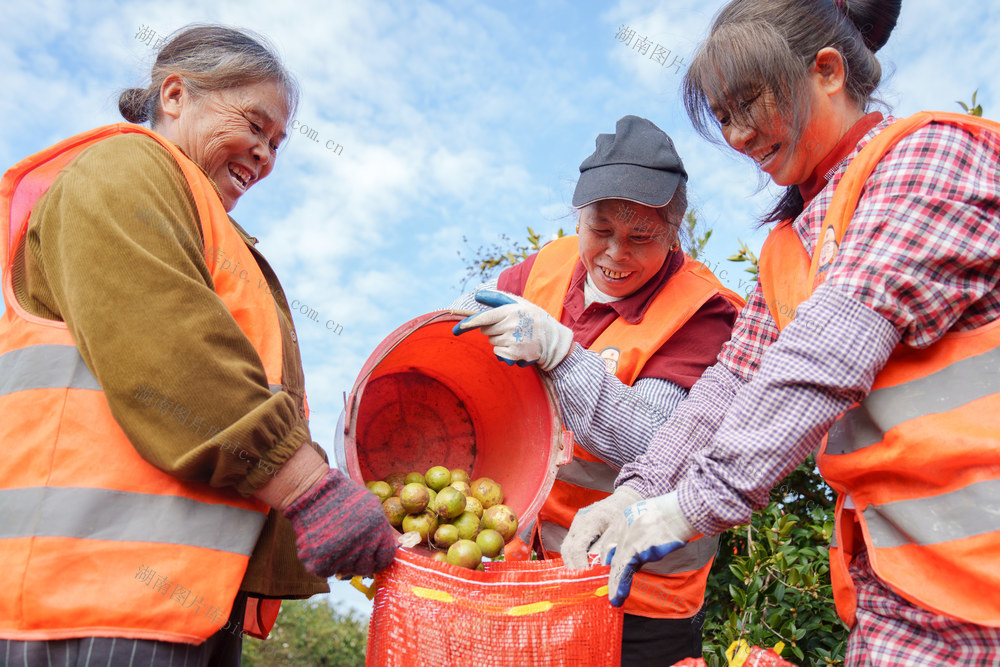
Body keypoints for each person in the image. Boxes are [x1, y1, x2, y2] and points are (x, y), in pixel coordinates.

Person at [561, 1, 1000, 665]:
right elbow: (730, 385)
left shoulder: (929, 158)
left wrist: (689, 507)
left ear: (827, 72)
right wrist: (637, 490)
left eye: (747, 104)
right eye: (723, 116)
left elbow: (824, 356)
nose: (738, 135)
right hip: (907, 585)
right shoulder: (790, 245)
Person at [0, 25, 396, 666]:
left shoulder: (211, 229)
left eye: (277, 144)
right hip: (90, 596)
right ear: (176, 95)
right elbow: (174, 349)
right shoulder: (124, 169)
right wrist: (308, 487)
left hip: (177, 603)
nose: (265, 155)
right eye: (255, 125)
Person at [451, 115, 745, 666]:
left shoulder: (700, 314)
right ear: (579, 217)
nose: (614, 253)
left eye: (641, 238)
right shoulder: (550, 266)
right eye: (600, 229)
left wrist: (561, 355)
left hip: (638, 594)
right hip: (540, 572)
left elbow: (656, 444)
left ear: (674, 234)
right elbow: (458, 327)